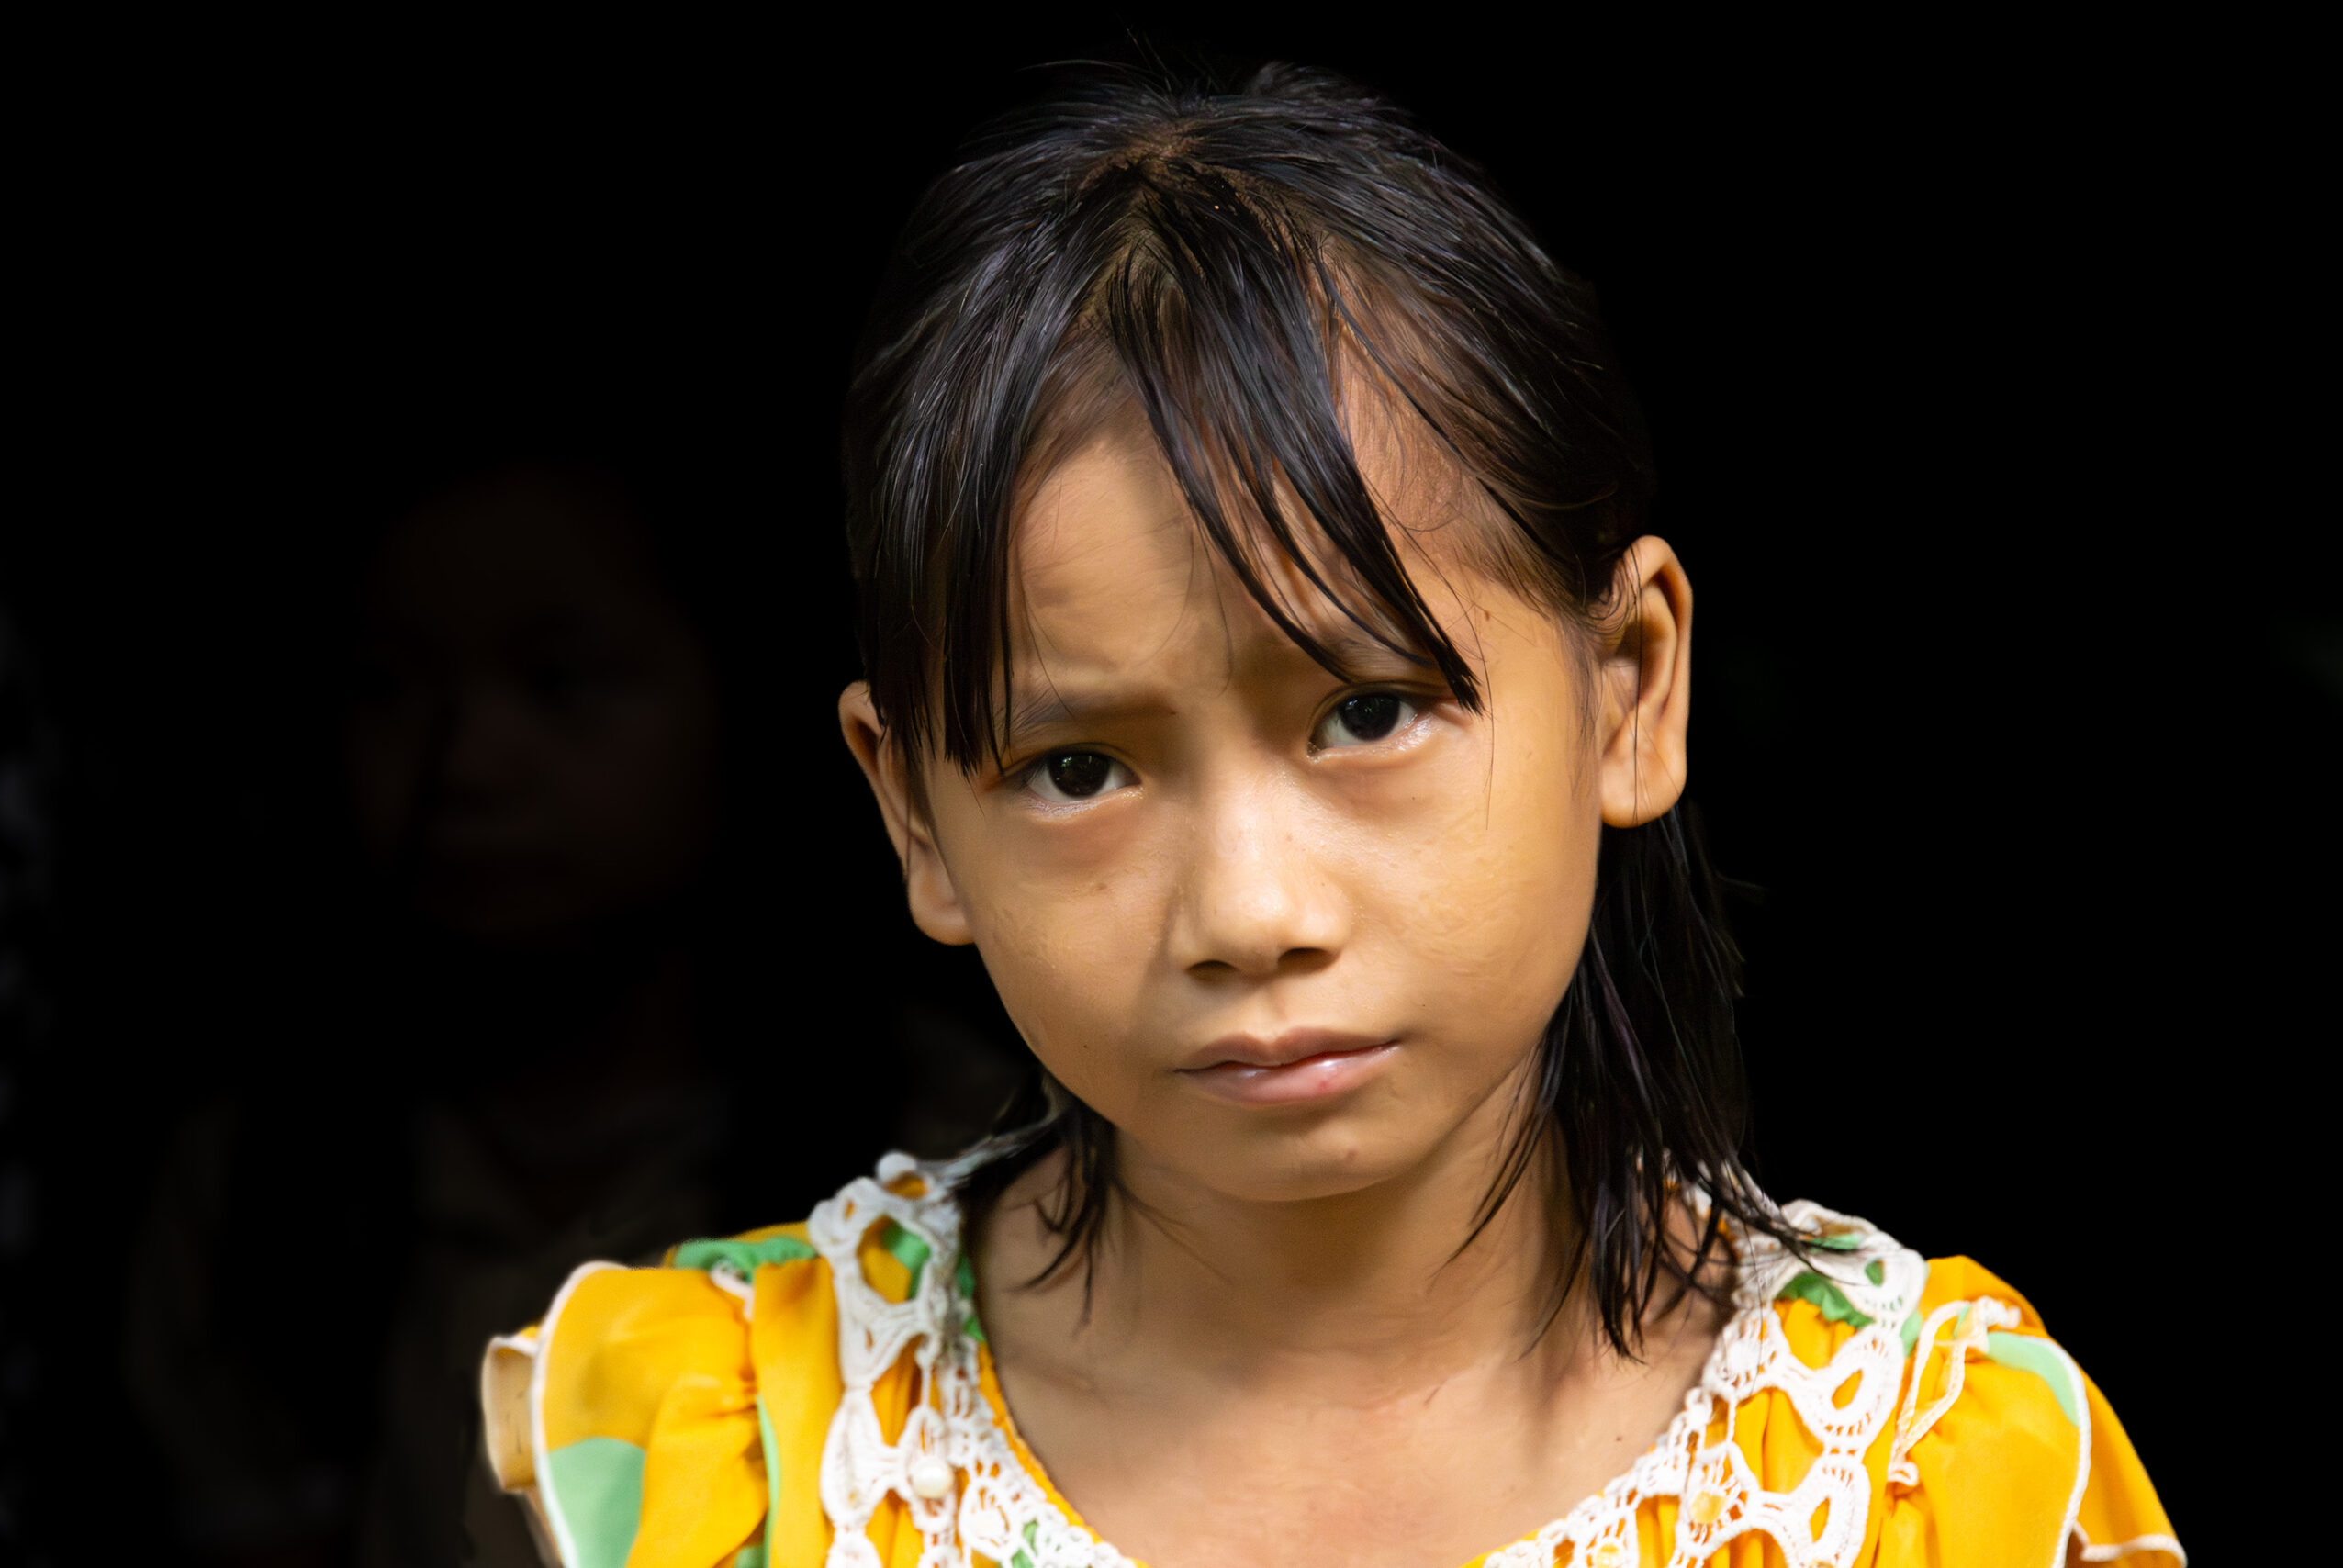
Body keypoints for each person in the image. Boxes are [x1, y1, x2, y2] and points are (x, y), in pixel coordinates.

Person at [477, 65, 2182, 1567]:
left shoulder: (1925, 1478)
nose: (1250, 909)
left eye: (1367, 715)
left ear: (1632, 689)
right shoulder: (729, 1445)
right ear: (913, 811)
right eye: (1078, 769)